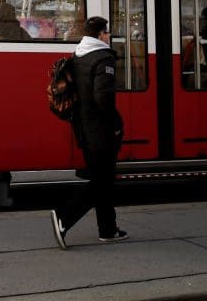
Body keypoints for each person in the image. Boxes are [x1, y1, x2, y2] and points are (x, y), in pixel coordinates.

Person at [51, 15, 126, 249]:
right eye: (107, 32)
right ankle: (63, 217)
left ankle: (108, 229)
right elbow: (103, 98)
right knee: (100, 182)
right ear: (101, 34)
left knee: (102, 180)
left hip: (83, 128)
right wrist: (115, 124)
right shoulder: (103, 58)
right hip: (100, 130)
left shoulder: (78, 55)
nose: (109, 36)